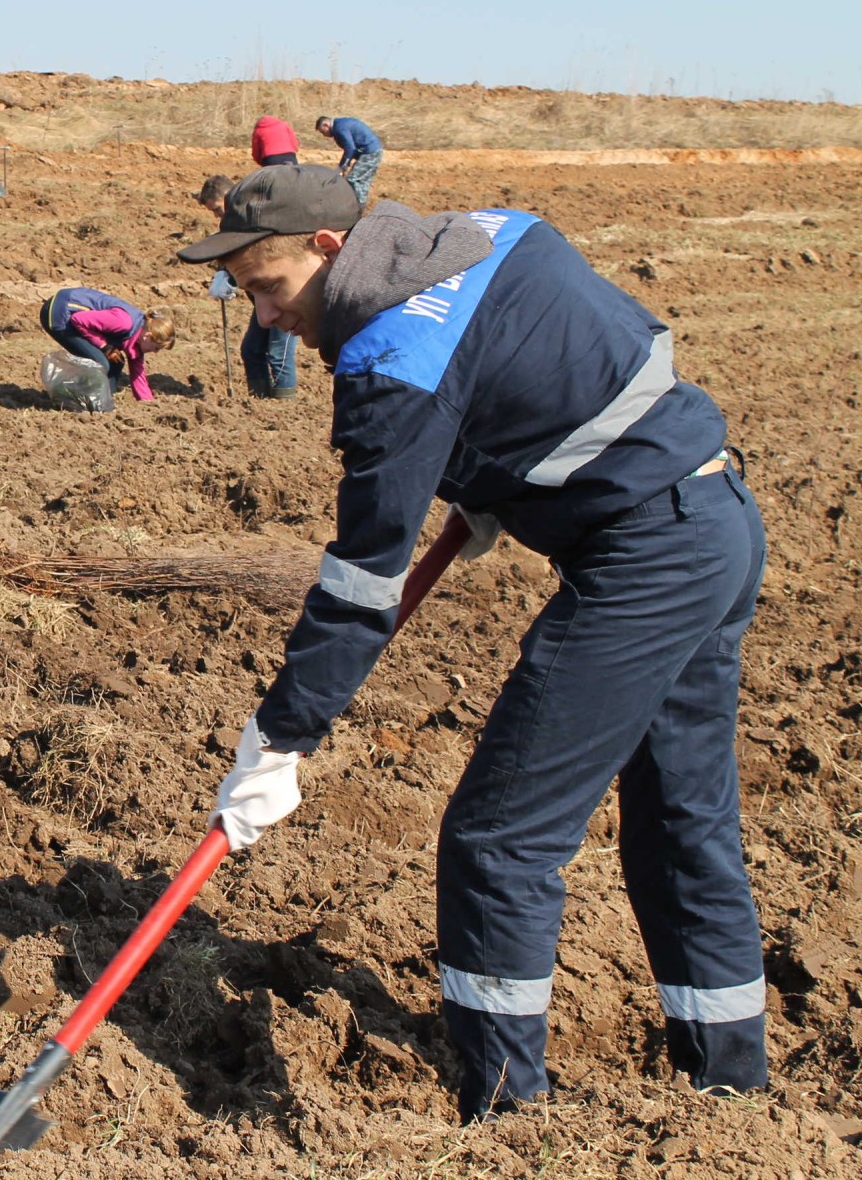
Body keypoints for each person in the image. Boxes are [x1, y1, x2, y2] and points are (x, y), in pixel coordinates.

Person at [178, 165, 768, 1124]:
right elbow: (558, 330)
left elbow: (362, 582)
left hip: (648, 557)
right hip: (716, 516)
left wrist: (283, 735)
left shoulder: (390, 364)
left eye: (270, 288)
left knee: (498, 839)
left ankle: (507, 1116)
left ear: (330, 250)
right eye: (244, 293)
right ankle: (735, 1093)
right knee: (681, 819)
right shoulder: (482, 229)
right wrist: (496, 472)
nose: (266, 317)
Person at [196, 173, 295, 399]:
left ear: (230, 197)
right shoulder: (232, 225)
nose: (216, 215)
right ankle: (259, 403)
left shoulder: (258, 219)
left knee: (279, 352)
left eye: (218, 209)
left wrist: (229, 277)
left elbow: (260, 258)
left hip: (285, 297)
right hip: (263, 299)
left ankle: (284, 407)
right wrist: (224, 273)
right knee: (251, 350)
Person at [39, 286, 176, 403]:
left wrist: (149, 405)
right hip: (59, 313)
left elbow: (138, 377)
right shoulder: (124, 322)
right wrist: (104, 346)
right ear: (148, 336)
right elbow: (79, 319)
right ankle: (67, 397)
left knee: (116, 362)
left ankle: (103, 402)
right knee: (100, 363)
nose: (156, 352)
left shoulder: (138, 338)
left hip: (73, 318)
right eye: (157, 348)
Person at [316, 115, 384, 204]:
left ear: (326, 125)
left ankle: (356, 206)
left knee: (353, 179)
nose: (324, 135)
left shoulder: (339, 128)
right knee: (363, 180)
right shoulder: (341, 123)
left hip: (369, 152)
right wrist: (343, 166)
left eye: (323, 132)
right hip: (374, 150)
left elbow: (350, 148)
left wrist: (342, 167)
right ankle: (360, 205)